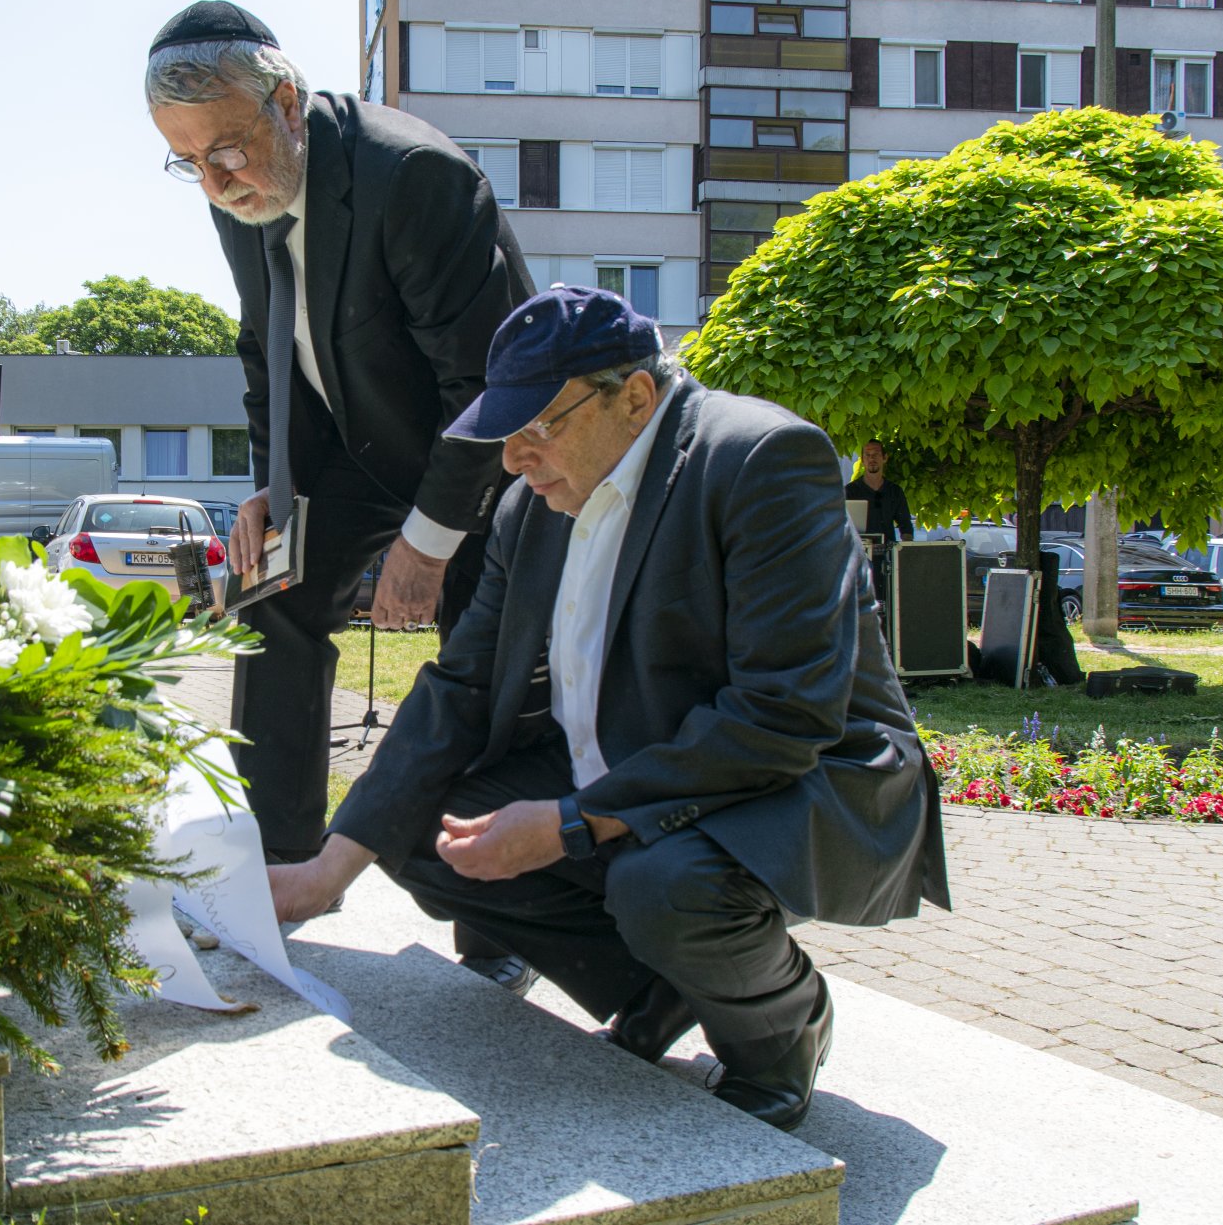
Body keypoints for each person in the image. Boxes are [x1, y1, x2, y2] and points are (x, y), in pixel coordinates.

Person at [270, 286, 949, 1131]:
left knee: (666, 883)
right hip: (647, 760)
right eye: (503, 435)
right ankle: (660, 988)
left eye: (538, 428)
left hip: (811, 777)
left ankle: (782, 1029)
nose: (515, 460)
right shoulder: (535, 501)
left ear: (635, 395)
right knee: (422, 823)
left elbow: (785, 713)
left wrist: (570, 820)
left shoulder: (762, 457)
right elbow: (460, 685)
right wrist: (327, 870)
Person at [144, 2, 533, 898]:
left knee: (481, 649)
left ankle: (493, 918)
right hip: (353, 452)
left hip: (484, 460)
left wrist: (426, 544)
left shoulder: (415, 175)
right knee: (271, 593)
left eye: (226, 150)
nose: (215, 182)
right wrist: (271, 494)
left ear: (285, 99)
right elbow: (265, 351)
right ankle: (277, 862)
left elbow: (484, 392)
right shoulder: (239, 194)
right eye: (187, 161)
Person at [845, 439, 914, 542]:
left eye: (876, 454)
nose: (871, 458)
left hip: (888, 555)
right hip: (859, 554)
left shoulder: (894, 491)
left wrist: (907, 552)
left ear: (885, 458)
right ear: (863, 460)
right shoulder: (849, 491)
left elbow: (906, 527)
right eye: (867, 455)